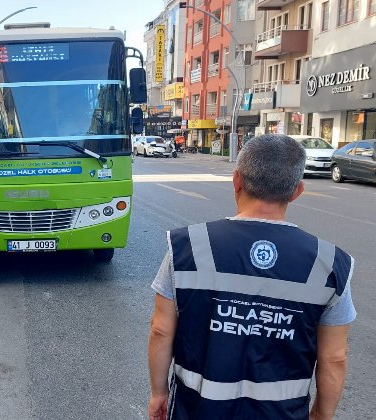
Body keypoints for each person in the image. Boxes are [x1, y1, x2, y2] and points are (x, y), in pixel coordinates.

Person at [147, 134, 355, 420]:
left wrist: (159, 393)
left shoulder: (189, 246)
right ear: (297, 191)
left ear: (236, 181)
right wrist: (322, 415)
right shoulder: (330, 263)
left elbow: (160, 330)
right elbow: (334, 357)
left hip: (196, 410)